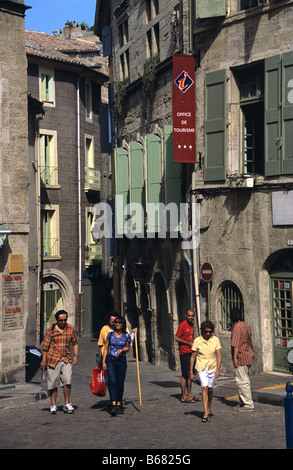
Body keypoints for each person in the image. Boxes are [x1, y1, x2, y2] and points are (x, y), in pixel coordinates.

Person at [41, 310, 79, 415]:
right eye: (61, 320)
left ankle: (67, 403)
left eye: (65, 320)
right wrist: (44, 360)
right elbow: (45, 347)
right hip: (53, 359)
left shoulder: (70, 329)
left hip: (66, 359)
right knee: (53, 383)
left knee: (67, 380)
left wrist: (76, 355)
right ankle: (53, 405)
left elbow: (75, 343)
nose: (63, 322)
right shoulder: (50, 331)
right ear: (57, 320)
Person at [190, 321, 221, 422]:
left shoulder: (215, 340)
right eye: (206, 332)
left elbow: (219, 355)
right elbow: (193, 357)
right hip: (201, 367)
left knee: (210, 390)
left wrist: (218, 369)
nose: (208, 334)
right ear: (202, 331)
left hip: (212, 366)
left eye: (210, 332)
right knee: (204, 388)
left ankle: (209, 407)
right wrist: (191, 372)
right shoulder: (197, 341)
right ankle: (205, 412)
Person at [102, 315, 131, 416]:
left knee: (120, 382)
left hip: (121, 361)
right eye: (116, 322)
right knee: (112, 381)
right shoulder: (110, 335)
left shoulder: (126, 336)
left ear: (123, 324)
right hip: (111, 360)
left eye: (120, 323)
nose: (118, 324)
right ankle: (113, 403)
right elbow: (106, 348)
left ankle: (119, 403)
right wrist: (103, 361)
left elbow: (128, 347)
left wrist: (122, 350)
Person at [230, 307, 255, 411]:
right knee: (244, 379)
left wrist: (235, 359)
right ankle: (242, 401)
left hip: (241, 356)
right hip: (249, 354)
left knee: (242, 381)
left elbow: (235, 345)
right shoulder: (246, 325)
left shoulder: (237, 328)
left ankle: (248, 404)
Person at [175, 309, 200, 403]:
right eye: (189, 315)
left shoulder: (192, 325)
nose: (191, 317)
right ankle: (183, 395)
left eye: (192, 316)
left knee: (190, 374)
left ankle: (189, 394)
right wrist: (188, 343)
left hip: (191, 352)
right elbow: (177, 338)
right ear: (186, 315)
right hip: (184, 352)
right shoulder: (182, 325)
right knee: (185, 374)